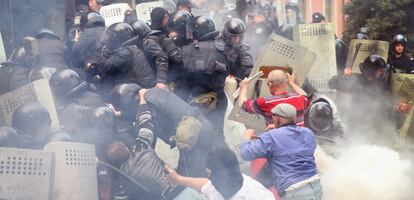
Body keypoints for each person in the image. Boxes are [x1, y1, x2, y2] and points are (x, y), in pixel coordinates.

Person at [240, 103, 322, 200]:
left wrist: (247, 137)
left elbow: (246, 153)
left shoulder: (271, 137)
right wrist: (281, 130)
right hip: (316, 186)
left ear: (277, 118)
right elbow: (293, 144)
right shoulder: (308, 133)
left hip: (295, 191)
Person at [181, 15, 229, 142]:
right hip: (219, 96)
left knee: (200, 135)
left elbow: (185, 75)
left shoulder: (188, 49)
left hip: (200, 98)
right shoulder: (223, 46)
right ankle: (222, 158)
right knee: (218, 133)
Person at [166, 147, 275, 200]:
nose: (206, 175)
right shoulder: (225, 183)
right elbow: (204, 185)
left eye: (208, 172)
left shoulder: (262, 197)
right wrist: (178, 179)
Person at [88, 22, 156, 93]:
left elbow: (105, 67)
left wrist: (96, 58)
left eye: (110, 35)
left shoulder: (125, 51)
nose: (108, 38)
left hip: (141, 88)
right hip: (137, 84)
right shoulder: (127, 48)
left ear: (118, 37)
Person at [238, 69, 309, 126]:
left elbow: (243, 105)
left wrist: (244, 87)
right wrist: (292, 83)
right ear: (286, 82)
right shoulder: (300, 98)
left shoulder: (265, 102)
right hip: (299, 141)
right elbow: (304, 96)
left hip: (277, 141)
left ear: (270, 84)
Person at [144, 7, 182, 89]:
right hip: (162, 76)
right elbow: (161, 57)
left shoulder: (163, 29)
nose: (168, 18)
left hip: (170, 72)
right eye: (167, 17)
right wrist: (161, 80)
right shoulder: (152, 37)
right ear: (164, 17)